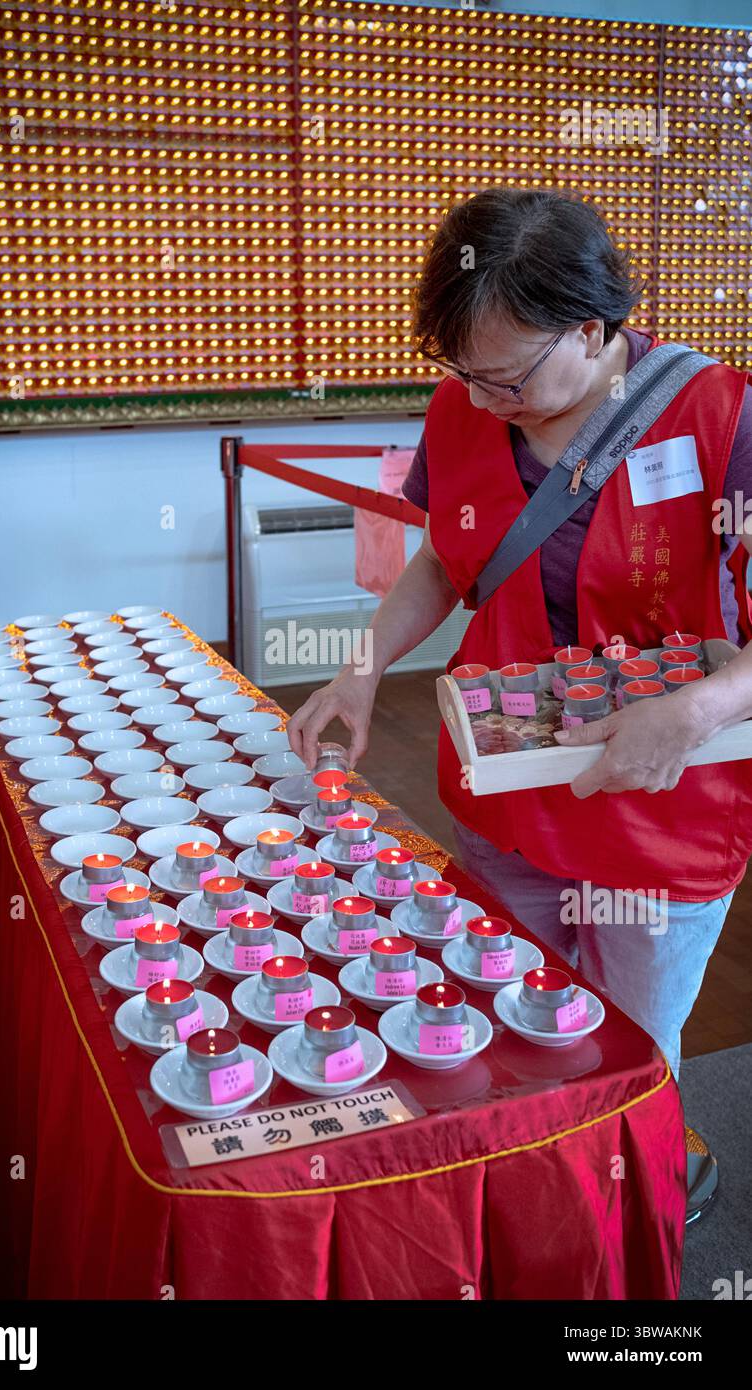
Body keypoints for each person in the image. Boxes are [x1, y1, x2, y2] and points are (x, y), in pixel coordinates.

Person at [287, 186, 752, 1222]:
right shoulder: (463, 406)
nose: (482, 399)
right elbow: (442, 563)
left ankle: (621, 1212)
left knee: (629, 1042)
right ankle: (538, 1192)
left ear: (591, 328)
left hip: (661, 806)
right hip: (506, 791)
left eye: (507, 376)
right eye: (463, 374)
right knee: (517, 1005)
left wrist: (699, 707)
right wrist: (362, 667)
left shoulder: (720, 414)